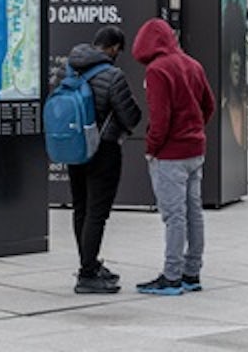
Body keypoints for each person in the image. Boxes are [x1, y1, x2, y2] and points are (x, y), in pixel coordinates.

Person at [131, 18, 215, 296]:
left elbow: (160, 117)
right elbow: (209, 105)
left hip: (170, 154)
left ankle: (171, 276)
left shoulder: (157, 70)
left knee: (174, 216)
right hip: (195, 150)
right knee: (194, 213)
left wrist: (151, 149)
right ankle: (192, 272)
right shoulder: (193, 65)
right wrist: (194, 128)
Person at [64, 25, 143, 294]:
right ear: (113, 48)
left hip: (74, 150)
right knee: (97, 213)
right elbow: (130, 115)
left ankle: (89, 263)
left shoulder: (70, 69)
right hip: (103, 150)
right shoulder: (113, 75)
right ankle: (87, 274)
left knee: (81, 208)